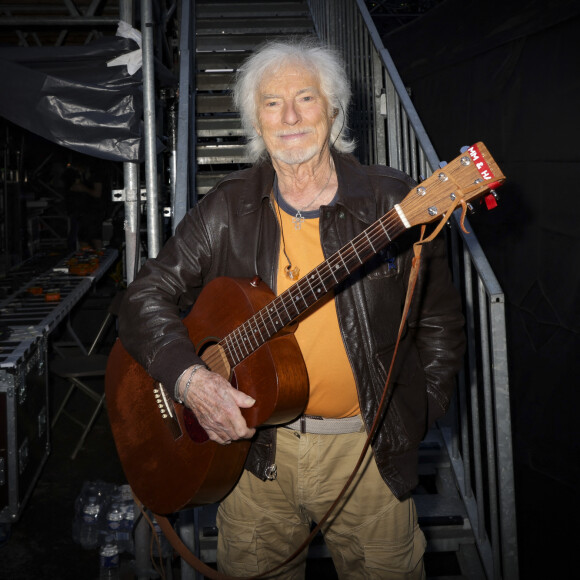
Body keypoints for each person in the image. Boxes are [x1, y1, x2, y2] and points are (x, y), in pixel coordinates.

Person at [118, 38, 465, 579]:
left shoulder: (391, 202)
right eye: (272, 103)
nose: (290, 116)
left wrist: (418, 410)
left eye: (306, 97)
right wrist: (188, 379)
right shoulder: (226, 207)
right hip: (256, 458)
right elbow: (144, 296)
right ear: (255, 119)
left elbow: (441, 321)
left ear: (333, 108)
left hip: (363, 452)